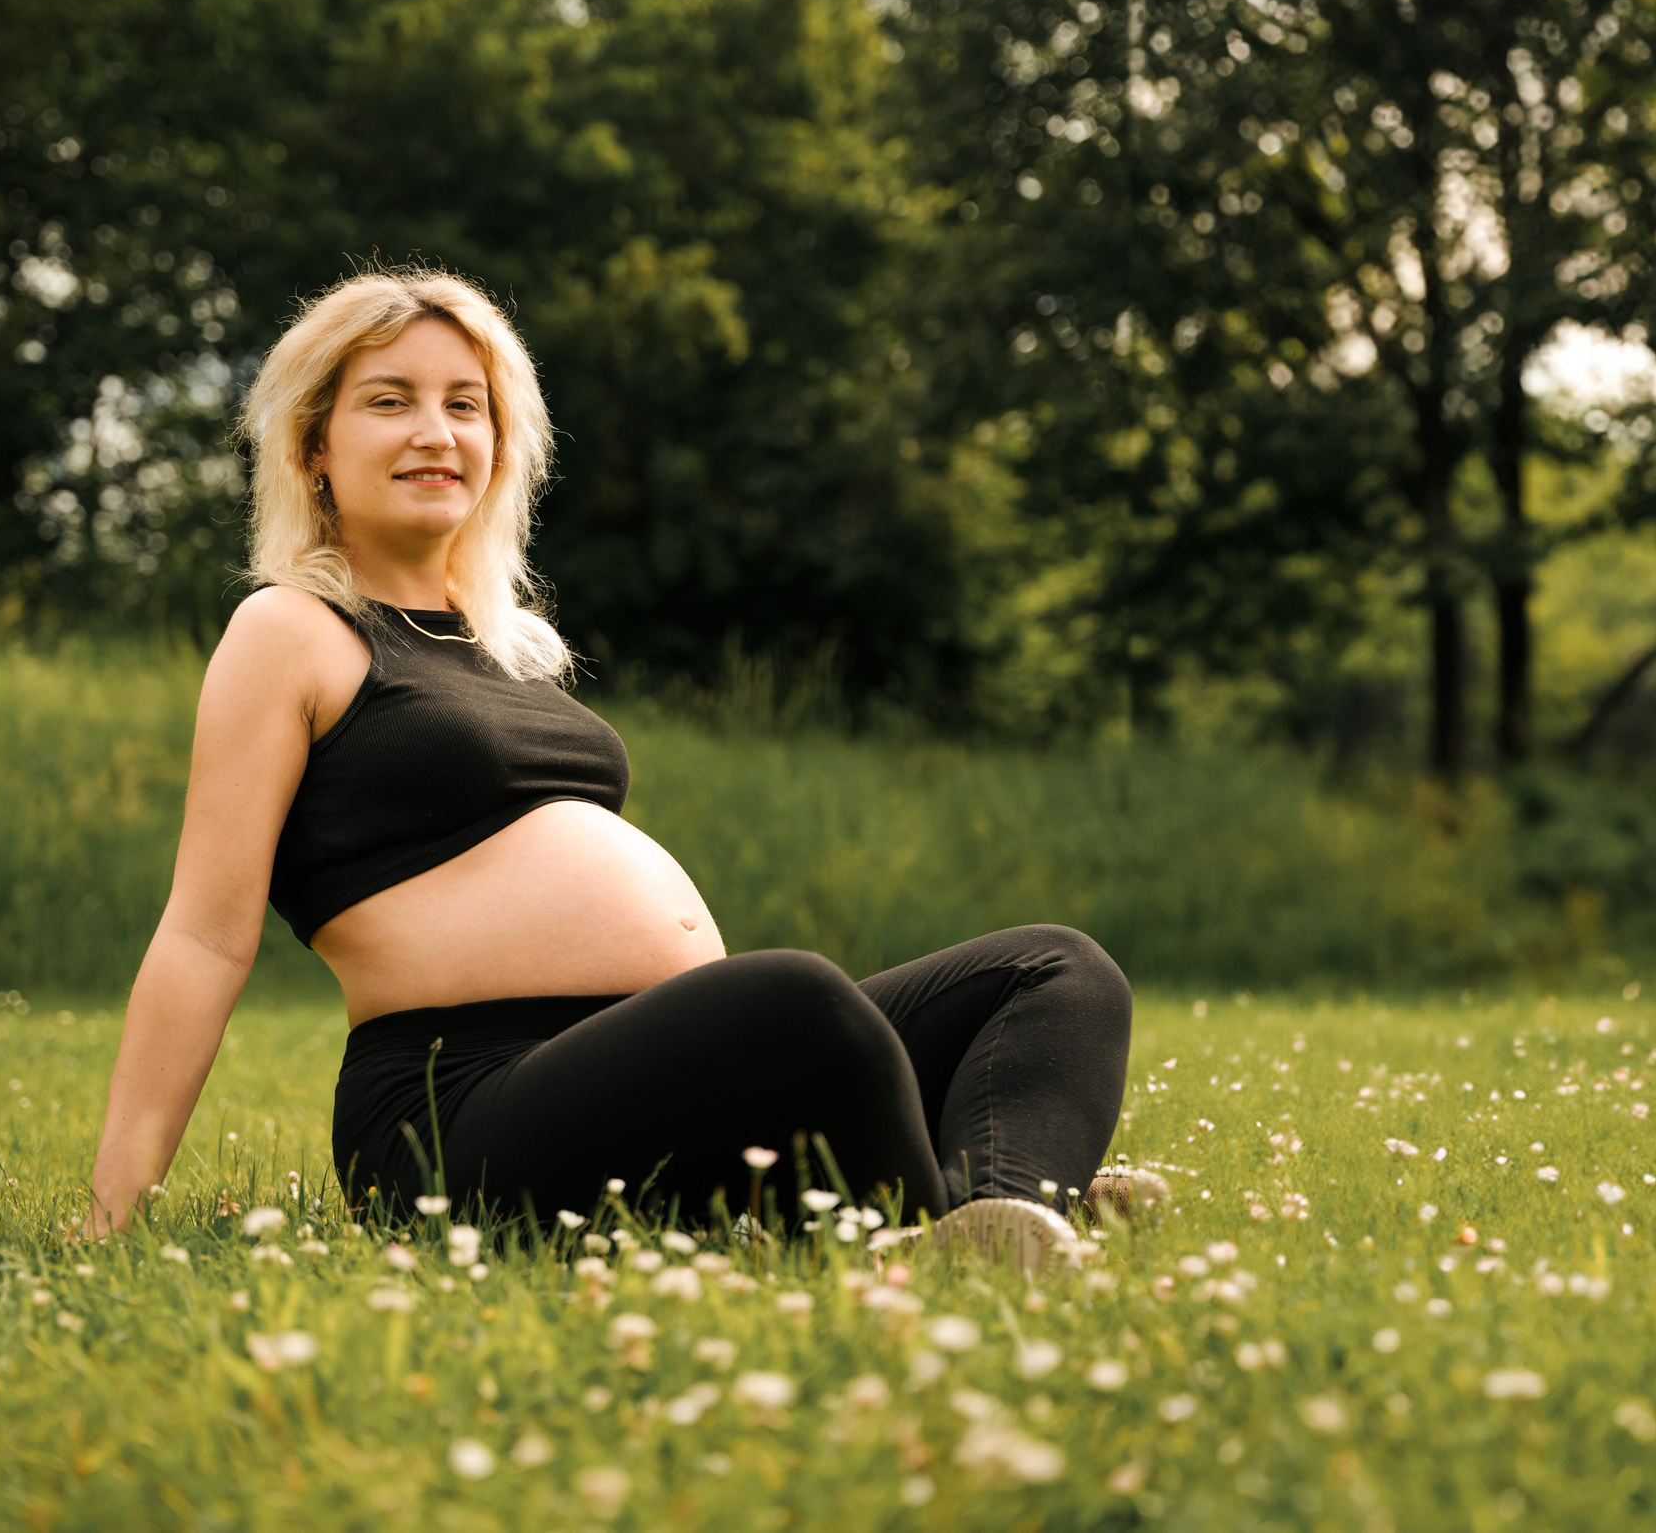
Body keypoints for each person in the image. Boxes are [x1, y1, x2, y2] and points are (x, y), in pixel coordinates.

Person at [80, 269, 1161, 1264]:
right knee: (794, 1002)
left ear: (501, 443)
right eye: (389, 400)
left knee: (1052, 971)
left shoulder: (507, 645)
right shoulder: (291, 629)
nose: (435, 431)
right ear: (314, 445)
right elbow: (205, 935)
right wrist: (111, 1213)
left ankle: (1001, 1213)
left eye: (466, 404)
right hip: (464, 1107)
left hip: (658, 1075)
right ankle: (927, 1225)